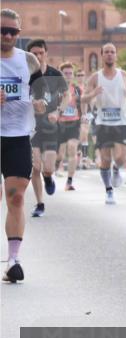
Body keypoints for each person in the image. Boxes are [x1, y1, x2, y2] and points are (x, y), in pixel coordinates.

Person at [1, 9, 41, 283]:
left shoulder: (29, 61)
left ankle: (13, 260)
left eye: (12, 31)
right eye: (2, 31)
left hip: (17, 137)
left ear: (19, 32)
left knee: (15, 197)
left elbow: (47, 94)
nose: (6, 36)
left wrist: (43, 104)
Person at [83, 43, 126, 205]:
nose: (110, 55)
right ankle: (109, 191)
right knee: (105, 159)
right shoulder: (95, 77)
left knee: (121, 158)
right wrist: (93, 93)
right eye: (106, 52)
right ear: (102, 55)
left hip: (121, 122)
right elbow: (83, 99)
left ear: (116, 56)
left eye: (112, 52)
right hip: (103, 123)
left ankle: (117, 170)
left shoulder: (123, 74)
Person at [26, 39, 68, 218]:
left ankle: (49, 177)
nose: (37, 56)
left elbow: (66, 95)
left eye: (40, 53)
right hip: (31, 126)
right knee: (35, 166)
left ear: (46, 53)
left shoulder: (54, 74)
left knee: (48, 168)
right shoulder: (24, 73)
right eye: (34, 53)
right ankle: (40, 203)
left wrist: (58, 111)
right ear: (29, 55)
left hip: (50, 125)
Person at [57, 63, 86, 190]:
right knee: (59, 155)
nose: (68, 75)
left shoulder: (77, 89)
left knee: (72, 148)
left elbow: (84, 103)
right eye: (66, 73)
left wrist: (84, 115)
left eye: (70, 73)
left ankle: (69, 181)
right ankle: (55, 166)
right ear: (61, 74)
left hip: (74, 123)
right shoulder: (55, 89)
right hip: (59, 124)